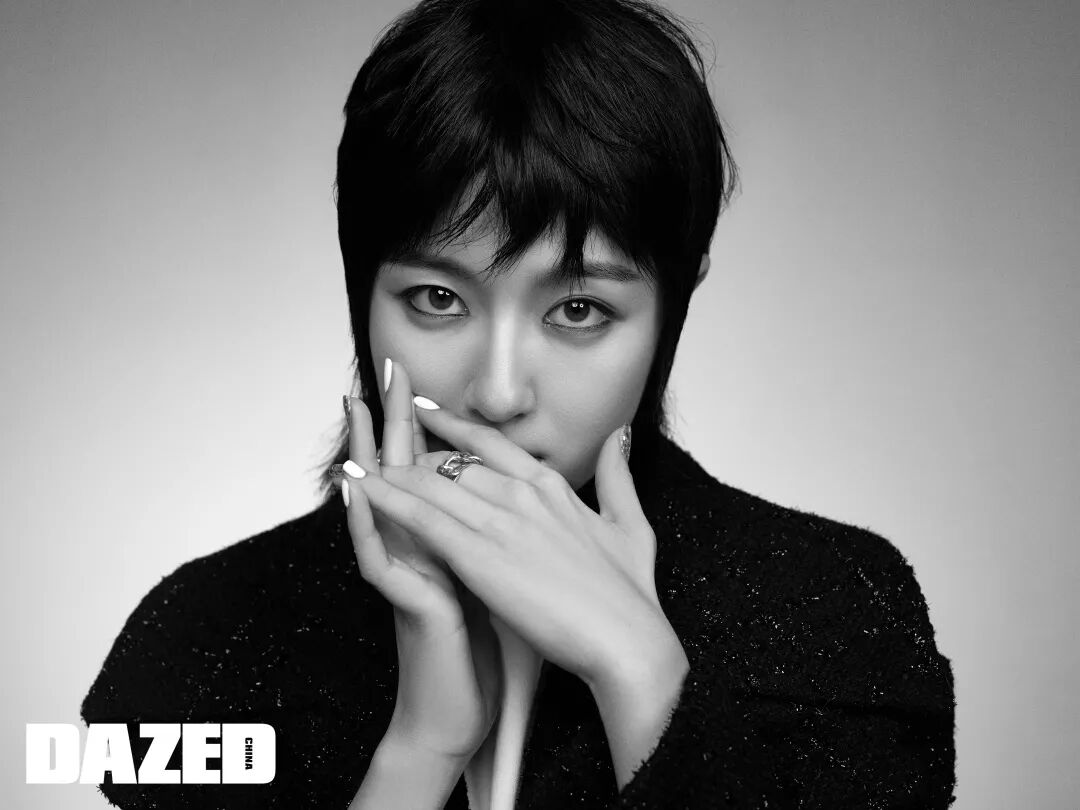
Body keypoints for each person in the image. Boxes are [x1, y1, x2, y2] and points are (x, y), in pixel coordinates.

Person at [80, 0, 957, 807]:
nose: (498, 393)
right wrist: (419, 752)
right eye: (437, 299)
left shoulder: (839, 612)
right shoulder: (199, 638)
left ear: (674, 307)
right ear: (361, 291)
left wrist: (644, 676)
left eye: (578, 310)